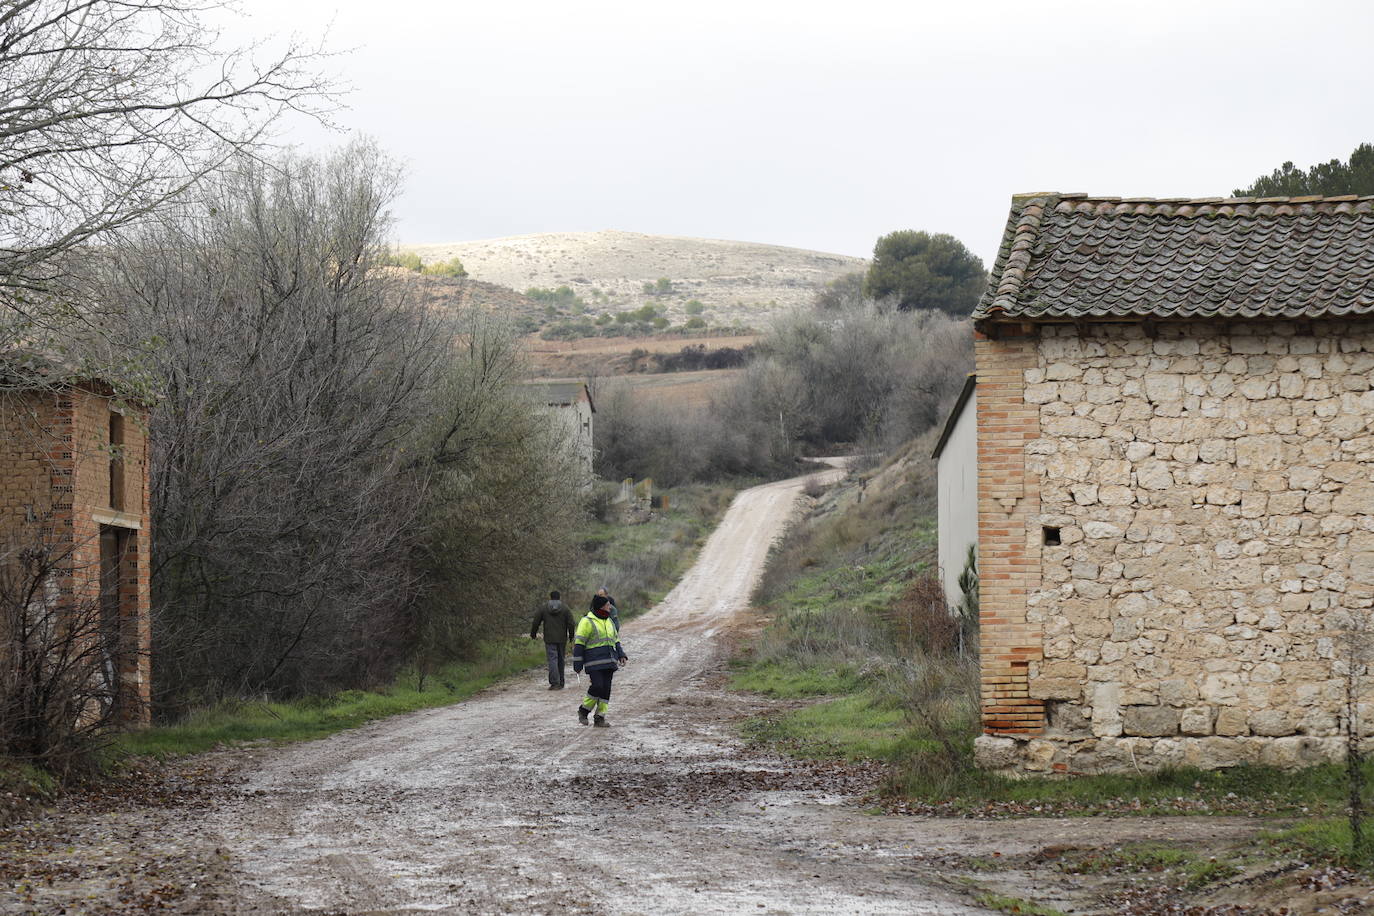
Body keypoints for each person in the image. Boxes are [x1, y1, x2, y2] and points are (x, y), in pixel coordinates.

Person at [572, 595, 627, 727]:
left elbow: (616, 640)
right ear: (601, 606)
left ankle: (600, 717)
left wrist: (621, 654)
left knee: (606, 690)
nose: (610, 607)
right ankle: (583, 711)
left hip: (609, 661)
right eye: (608, 605)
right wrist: (577, 663)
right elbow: (579, 643)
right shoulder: (586, 621)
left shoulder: (610, 621)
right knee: (597, 686)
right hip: (594, 662)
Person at [530, 590, 576, 690]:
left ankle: (555, 683)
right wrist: (571, 636)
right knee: (560, 659)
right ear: (559, 597)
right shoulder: (565, 608)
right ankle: (561, 682)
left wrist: (533, 634)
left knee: (552, 659)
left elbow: (535, 622)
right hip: (562, 638)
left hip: (549, 638)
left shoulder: (544, 608)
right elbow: (571, 623)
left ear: (550, 597)